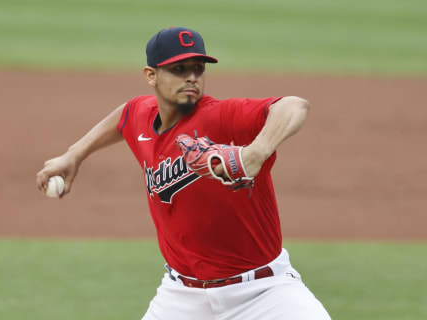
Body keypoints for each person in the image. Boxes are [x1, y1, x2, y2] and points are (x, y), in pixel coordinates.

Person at [37, 27, 331, 320]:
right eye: (179, 69)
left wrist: (256, 152)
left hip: (263, 292)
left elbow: (293, 106)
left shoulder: (221, 116)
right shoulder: (142, 115)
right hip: (181, 298)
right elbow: (124, 116)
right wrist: (74, 154)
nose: (191, 77)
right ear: (151, 75)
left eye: (197, 69)